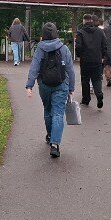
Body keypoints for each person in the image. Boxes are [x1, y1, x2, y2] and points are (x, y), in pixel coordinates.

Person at [25, 22, 76, 158]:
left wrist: (29, 85)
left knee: (48, 110)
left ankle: (49, 134)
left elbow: (34, 67)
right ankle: (55, 144)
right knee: (58, 113)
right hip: (61, 84)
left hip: (44, 85)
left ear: (43, 34)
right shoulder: (64, 48)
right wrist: (71, 87)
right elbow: (70, 70)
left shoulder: (40, 49)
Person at [75, 14, 109, 108]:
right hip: (97, 60)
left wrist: (79, 55)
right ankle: (99, 94)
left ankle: (86, 100)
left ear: (84, 21)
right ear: (91, 21)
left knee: (85, 80)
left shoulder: (80, 32)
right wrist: (102, 56)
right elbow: (105, 45)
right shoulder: (100, 31)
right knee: (97, 79)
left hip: (85, 61)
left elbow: (78, 47)